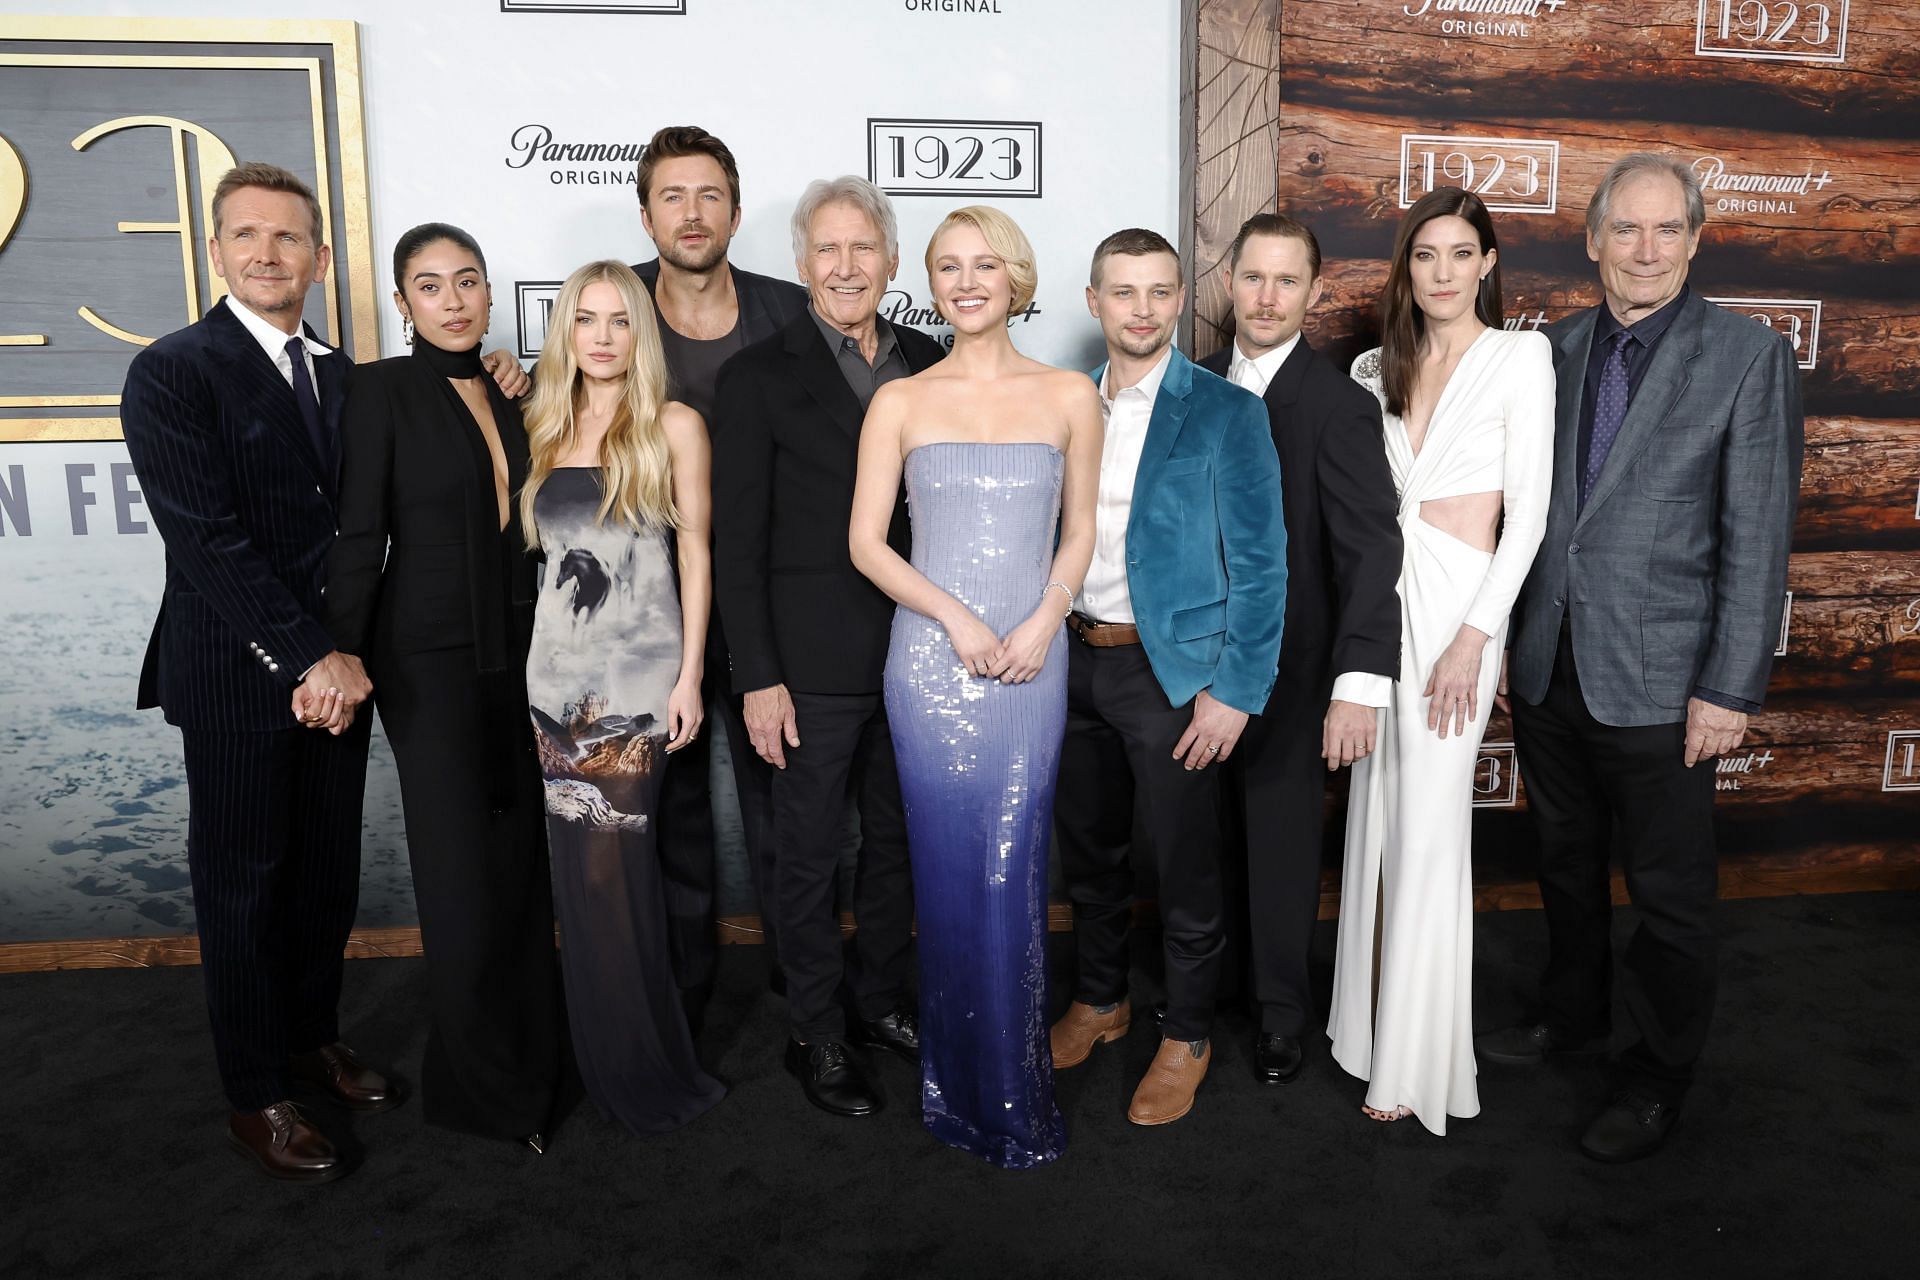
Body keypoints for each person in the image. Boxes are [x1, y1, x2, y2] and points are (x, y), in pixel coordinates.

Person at [1482, 154, 1802, 1162]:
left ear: (1696, 240)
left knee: (1668, 893)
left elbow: (1758, 533)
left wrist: (1728, 683)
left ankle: (1656, 1074)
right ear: (1593, 239)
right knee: (1567, 868)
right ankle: (1570, 1016)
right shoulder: (1554, 350)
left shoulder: (1746, 356)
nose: (1647, 249)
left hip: (1668, 684)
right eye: (1627, 229)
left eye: (1668, 230)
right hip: (1551, 665)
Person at [118, 163, 397, 1183]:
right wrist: (309, 653)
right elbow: (207, 540)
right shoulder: (173, 369)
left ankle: (309, 1039)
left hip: (340, 680)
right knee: (242, 888)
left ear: (320, 258)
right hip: (242, 674)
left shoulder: (347, 372)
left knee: (324, 876)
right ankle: (256, 1091)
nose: (267, 253)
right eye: (247, 236)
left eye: (288, 238)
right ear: (216, 251)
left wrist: (341, 658)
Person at [849, 207, 1101, 1167]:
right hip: (930, 665)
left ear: (1017, 277)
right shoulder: (901, 402)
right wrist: (955, 617)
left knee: (1013, 871)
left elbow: (1079, 531)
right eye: (946, 267)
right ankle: (956, 1092)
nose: (964, 282)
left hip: (1034, 660)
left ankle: (1014, 1092)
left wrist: (1044, 618)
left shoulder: (1070, 393)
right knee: (948, 878)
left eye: (983, 265)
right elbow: (866, 543)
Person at [323, 224, 561, 1150]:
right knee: (461, 881)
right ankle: (482, 1092)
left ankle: (536, 1061)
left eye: (468, 282)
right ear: (402, 302)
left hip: (522, 657)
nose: (454, 300)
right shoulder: (379, 389)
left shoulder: (515, 393)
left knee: (521, 872)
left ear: (490, 294)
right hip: (426, 669)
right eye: (431, 286)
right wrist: (341, 657)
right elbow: (356, 537)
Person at [711, 177, 944, 1118]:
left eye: (864, 249)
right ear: (802, 264)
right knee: (806, 854)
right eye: (827, 250)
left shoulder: (933, 361)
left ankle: (880, 998)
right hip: (807, 667)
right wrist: (757, 674)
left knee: (896, 844)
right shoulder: (756, 377)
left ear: (891, 260)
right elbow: (738, 543)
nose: (846, 266)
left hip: (920, 652)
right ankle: (815, 1029)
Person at [1327, 187, 1553, 1134]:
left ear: (1488, 263)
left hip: (1460, 606)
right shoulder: (1376, 364)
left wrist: (1476, 638)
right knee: (1376, 820)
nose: (1443, 273)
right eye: (1426, 256)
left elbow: (1530, 515)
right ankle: (1365, 1032)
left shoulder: (1520, 356)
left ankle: (1415, 1066)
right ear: (1406, 266)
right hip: (1385, 605)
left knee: (1429, 832)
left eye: (1462, 254)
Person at [1050, 228, 1287, 1127]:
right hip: (1072, 663)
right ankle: (1101, 1001)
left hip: (1175, 675)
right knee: (1092, 855)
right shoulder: (1065, 402)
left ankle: (1186, 1031)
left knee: (1186, 866)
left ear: (1182, 299)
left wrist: (1235, 690)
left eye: (1158, 292)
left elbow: (1264, 567)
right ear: (1093, 301)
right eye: (1123, 292)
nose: (1141, 310)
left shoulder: (1227, 411)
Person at [520, 260, 726, 1136]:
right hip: (552, 684)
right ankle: (608, 1050)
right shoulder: (540, 427)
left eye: (618, 320)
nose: (602, 336)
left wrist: (689, 679)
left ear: (641, 332)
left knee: (619, 874)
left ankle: (644, 1061)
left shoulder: (674, 425)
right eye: (585, 320)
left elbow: (696, 557)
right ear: (566, 331)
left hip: (639, 688)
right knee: (583, 881)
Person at [1200, 214, 1404, 1087]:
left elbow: (1370, 552)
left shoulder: (1339, 408)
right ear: (1229, 282)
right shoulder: (1190, 386)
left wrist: (1357, 683)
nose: (1267, 297)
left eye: (1287, 281)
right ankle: (1202, 999)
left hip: (1295, 664)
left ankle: (1281, 1015)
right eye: (1253, 278)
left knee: (1279, 846)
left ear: (1313, 293)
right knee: (1198, 844)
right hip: (1191, 661)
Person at [629, 126, 809, 1018]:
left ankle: (803, 991)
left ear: (736, 211)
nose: (692, 213)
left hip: (770, 604)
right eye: (672, 196)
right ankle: (686, 992)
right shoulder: (614, 309)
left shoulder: (789, 309)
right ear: (646, 211)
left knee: (786, 807)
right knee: (673, 813)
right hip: (651, 605)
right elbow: (558, 405)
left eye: (708, 196)